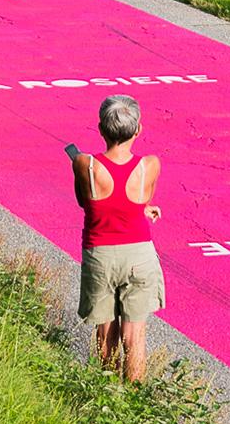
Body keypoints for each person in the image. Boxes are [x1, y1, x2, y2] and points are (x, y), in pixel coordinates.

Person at [66, 95, 163, 382]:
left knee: (106, 332)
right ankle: (134, 401)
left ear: (100, 128)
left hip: (101, 254)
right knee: (135, 336)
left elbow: (85, 202)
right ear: (138, 130)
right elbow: (140, 197)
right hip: (139, 256)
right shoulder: (150, 165)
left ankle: (108, 392)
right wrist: (142, 208)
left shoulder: (85, 164)